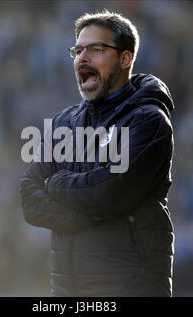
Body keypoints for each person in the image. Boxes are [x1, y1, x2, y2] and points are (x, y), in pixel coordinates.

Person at [20, 11, 175, 296]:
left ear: (125, 59)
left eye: (96, 49)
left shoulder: (148, 121)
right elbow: (29, 198)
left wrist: (54, 184)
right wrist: (85, 218)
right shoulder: (62, 123)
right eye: (78, 50)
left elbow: (110, 192)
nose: (83, 58)